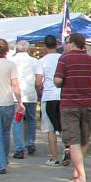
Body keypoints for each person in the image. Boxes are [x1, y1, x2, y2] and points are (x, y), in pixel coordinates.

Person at [54, 33, 91, 182]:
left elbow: (58, 80)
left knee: (73, 140)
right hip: (87, 102)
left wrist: (61, 81)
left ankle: (82, 175)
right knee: (84, 138)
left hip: (70, 102)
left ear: (72, 44)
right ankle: (76, 172)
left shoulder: (64, 59)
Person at [0, 39, 25, 174]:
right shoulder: (10, 65)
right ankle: (4, 159)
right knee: (5, 133)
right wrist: (20, 102)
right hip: (7, 103)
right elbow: (15, 85)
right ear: (7, 50)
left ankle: (0, 165)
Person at [9, 40, 43, 158]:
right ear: (27, 49)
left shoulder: (11, 61)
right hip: (30, 94)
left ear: (17, 48)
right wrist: (38, 92)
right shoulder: (34, 61)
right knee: (31, 119)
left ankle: (19, 148)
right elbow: (39, 80)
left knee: (17, 121)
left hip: (16, 96)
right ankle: (30, 143)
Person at [39, 35, 63, 166]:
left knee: (51, 129)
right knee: (64, 125)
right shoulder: (62, 58)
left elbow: (38, 81)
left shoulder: (42, 61)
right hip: (62, 95)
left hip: (48, 95)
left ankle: (55, 157)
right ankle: (68, 150)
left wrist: (40, 87)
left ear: (45, 45)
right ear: (57, 44)